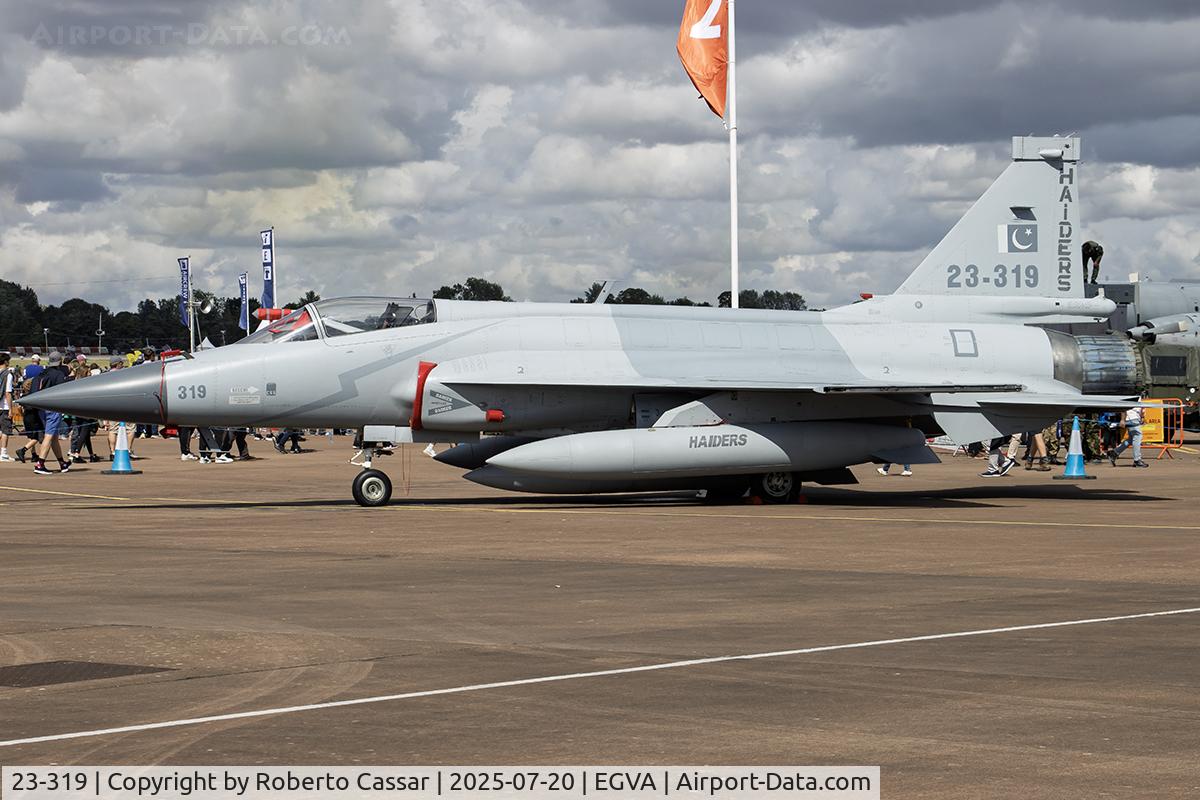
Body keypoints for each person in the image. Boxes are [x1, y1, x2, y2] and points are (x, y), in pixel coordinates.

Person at [30, 352, 71, 475]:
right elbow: (62, 391)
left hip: (41, 408)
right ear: (60, 361)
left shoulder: (42, 373)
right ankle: (40, 464)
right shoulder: (59, 374)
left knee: (53, 437)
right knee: (49, 436)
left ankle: (62, 463)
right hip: (52, 408)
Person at [0, 352, 17, 461]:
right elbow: (8, 393)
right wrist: (11, 409)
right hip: (4, 406)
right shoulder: (8, 374)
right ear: (6, 362)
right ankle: (3, 453)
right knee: (5, 430)